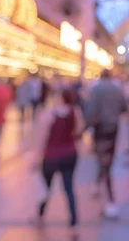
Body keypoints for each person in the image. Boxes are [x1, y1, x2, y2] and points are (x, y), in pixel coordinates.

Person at [33, 88, 85, 234]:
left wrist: (36, 158)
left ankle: (40, 216)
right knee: (68, 188)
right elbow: (78, 131)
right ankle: (74, 221)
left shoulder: (49, 114)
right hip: (70, 155)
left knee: (46, 188)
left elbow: (42, 138)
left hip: (51, 157)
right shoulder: (75, 112)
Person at [85, 69, 127, 219]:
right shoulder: (117, 89)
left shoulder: (95, 89)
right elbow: (124, 107)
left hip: (100, 129)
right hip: (113, 128)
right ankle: (97, 185)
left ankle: (111, 202)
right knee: (107, 160)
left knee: (103, 160)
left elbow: (90, 111)